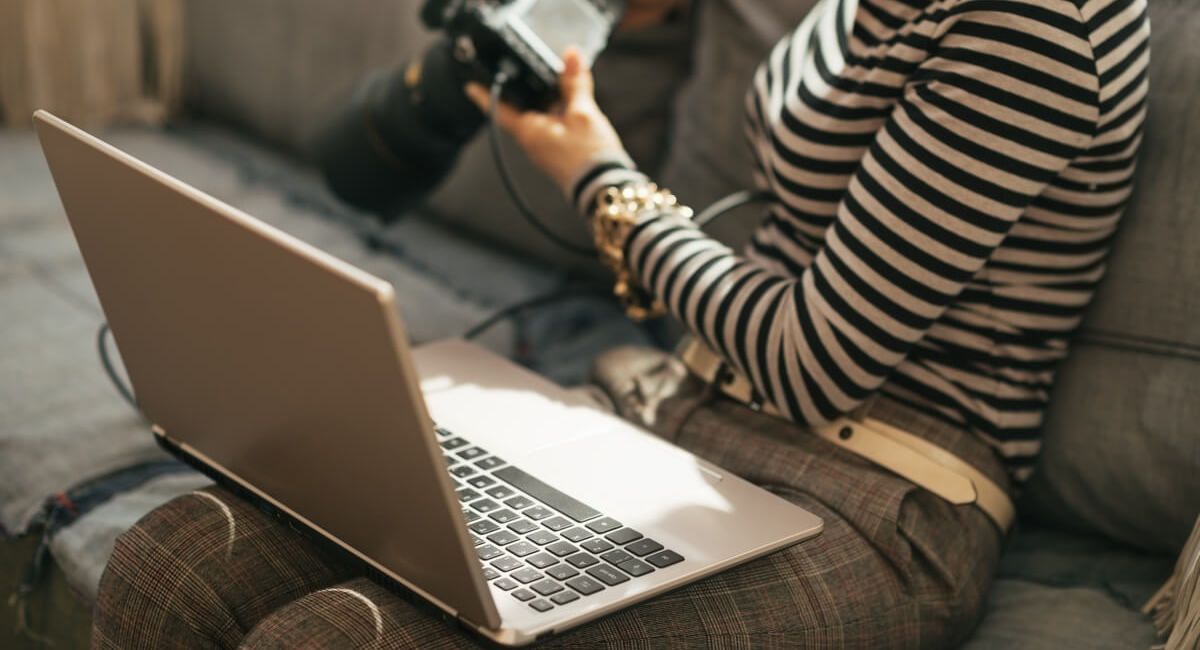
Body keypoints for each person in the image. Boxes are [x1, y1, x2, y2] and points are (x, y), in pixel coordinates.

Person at [92, 0, 1150, 647]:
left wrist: (600, 178)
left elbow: (815, 358)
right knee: (180, 555)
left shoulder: (1035, 23)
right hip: (683, 412)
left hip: (878, 499)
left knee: (341, 640)